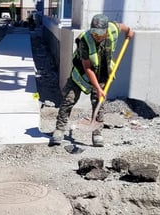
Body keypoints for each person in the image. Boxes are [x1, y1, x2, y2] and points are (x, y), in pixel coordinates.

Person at [50, 14, 135, 147]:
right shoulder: (85, 40)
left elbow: (121, 27)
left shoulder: (112, 29)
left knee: (99, 103)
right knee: (69, 99)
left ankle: (97, 133)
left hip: (102, 73)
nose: (97, 36)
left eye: (100, 33)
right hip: (82, 73)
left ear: (106, 30)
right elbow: (88, 68)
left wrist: (129, 31)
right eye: (94, 33)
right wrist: (98, 88)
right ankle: (59, 130)